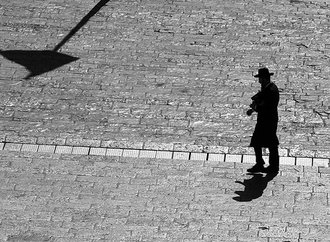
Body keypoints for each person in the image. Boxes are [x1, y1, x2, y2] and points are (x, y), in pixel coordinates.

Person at [246, 67, 280, 174]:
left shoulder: (271, 90)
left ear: (264, 78)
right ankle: (261, 163)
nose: (259, 81)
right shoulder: (267, 88)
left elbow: (266, 107)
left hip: (268, 121)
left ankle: (273, 166)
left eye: (260, 78)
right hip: (265, 120)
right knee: (258, 141)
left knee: (271, 143)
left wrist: (255, 108)